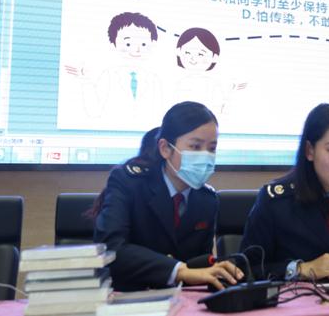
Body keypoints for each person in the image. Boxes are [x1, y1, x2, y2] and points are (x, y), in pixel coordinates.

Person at [93, 101, 243, 291]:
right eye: (195, 147)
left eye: (212, 148)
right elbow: (111, 248)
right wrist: (178, 270)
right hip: (128, 296)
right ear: (165, 148)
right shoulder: (129, 182)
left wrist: (215, 268)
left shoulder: (207, 200)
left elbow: (196, 266)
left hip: (182, 299)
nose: (205, 156)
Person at [240, 103, 329, 281]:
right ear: (310, 150)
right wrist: (301, 269)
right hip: (294, 298)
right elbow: (246, 268)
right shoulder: (275, 201)